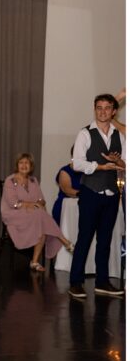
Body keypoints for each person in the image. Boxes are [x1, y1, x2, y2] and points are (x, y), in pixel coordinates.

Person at [67, 94, 125, 299]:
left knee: (105, 240)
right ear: (94, 109)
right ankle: (75, 282)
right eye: (99, 107)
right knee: (84, 238)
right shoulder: (85, 133)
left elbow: (125, 164)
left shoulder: (120, 135)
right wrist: (100, 166)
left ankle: (102, 282)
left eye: (107, 108)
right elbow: (76, 163)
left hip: (111, 194)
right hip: (90, 192)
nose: (102, 112)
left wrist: (117, 162)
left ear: (114, 111)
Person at [1, 153, 74, 271]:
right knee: (40, 215)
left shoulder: (33, 180)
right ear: (17, 165)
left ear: (31, 166)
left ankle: (35, 262)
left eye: (27, 163)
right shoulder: (10, 180)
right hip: (13, 214)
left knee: (41, 221)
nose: (24, 165)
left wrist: (39, 203)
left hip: (32, 215)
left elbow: (41, 199)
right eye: (21, 163)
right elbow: (13, 203)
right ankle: (64, 241)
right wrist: (30, 205)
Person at [52, 146, 82, 224]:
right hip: (66, 209)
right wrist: (85, 194)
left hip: (83, 207)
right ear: (73, 155)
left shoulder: (88, 171)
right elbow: (67, 190)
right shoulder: (65, 171)